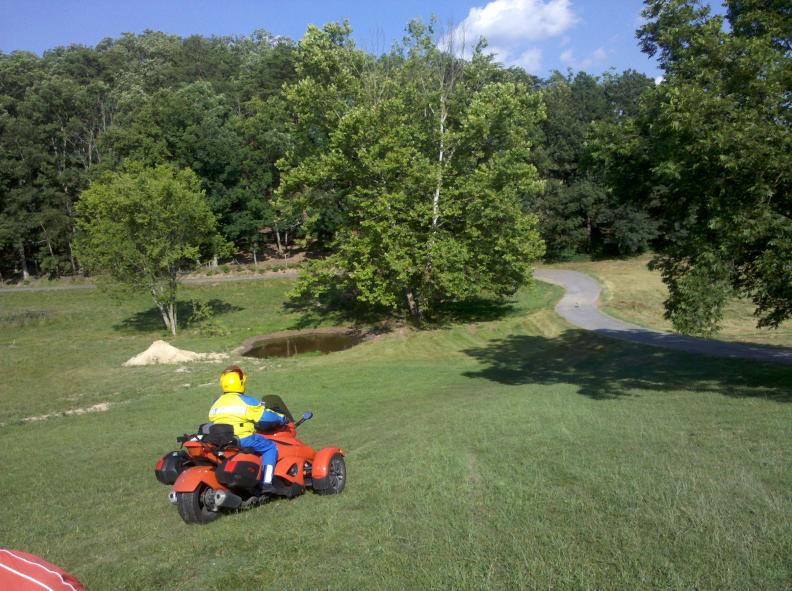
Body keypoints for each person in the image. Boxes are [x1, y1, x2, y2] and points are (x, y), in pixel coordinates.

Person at [208, 364, 288, 491]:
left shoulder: (217, 402)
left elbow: (212, 418)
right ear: (239, 383)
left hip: (223, 439)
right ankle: (266, 483)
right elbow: (266, 416)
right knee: (270, 447)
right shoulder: (246, 401)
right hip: (243, 437)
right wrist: (281, 418)